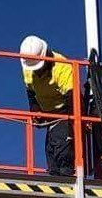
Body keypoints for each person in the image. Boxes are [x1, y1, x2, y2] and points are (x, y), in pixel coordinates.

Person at [19, 35, 75, 176]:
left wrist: (72, 125)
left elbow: (73, 98)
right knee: (51, 152)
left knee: (62, 149)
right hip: (47, 113)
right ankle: (56, 176)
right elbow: (31, 92)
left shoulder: (62, 66)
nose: (36, 71)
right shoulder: (28, 68)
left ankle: (66, 178)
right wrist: (35, 109)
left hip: (65, 110)